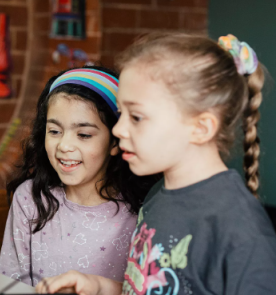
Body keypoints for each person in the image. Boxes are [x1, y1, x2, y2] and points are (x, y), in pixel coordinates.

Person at [36, 34, 276, 294]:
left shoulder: (240, 230)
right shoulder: (157, 197)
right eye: (121, 113)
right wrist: (99, 286)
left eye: (136, 117)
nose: (119, 129)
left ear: (200, 127)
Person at [0, 66, 158, 285]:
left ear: (114, 141)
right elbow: (10, 281)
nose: (64, 145)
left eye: (83, 135)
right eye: (54, 131)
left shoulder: (140, 212)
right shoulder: (29, 198)